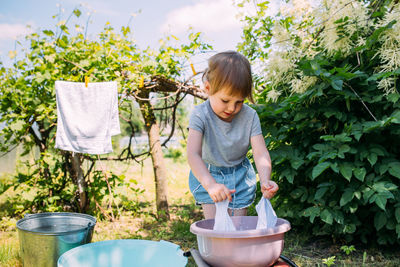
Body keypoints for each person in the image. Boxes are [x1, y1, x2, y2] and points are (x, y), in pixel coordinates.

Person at [187, 51, 279, 219]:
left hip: (240, 176)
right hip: (209, 173)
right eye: (225, 101)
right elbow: (193, 154)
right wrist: (211, 185)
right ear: (208, 88)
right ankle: (215, 246)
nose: (231, 108)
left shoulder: (250, 116)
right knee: (216, 229)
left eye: (239, 102)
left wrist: (265, 179)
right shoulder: (200, 115)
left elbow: (260, 153)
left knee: (237, 230)